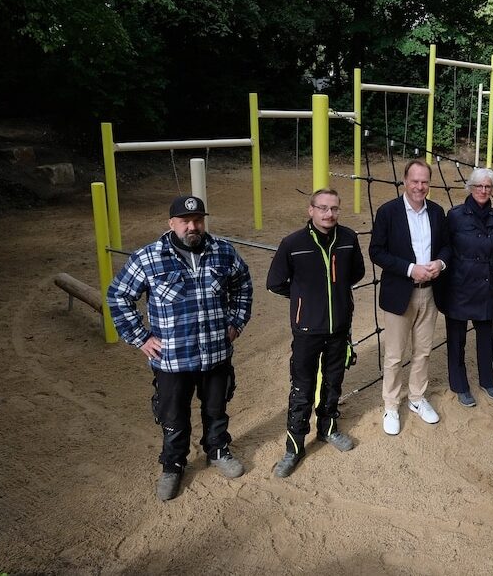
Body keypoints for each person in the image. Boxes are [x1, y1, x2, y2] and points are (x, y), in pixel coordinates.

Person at [107, 195, 253, 501]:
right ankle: (172, 465)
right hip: (171, 358)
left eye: (198, 220)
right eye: (185, 221)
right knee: (173, 415)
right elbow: (119, 295)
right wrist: (140, 337)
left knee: (216, 409)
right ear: (171, 223)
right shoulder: (148, 258)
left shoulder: (223, 252)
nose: (192, 226)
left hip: (216, 353)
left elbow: (243, 284)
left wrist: (236, 323)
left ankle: (218, 451)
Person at [266, 189, 366, 478]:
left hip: (339, 328)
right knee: (302, 388)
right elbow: (275, 283)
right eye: (322, 208)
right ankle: (294, 446)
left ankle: (328, 429)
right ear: (310, 210)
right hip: (307, 330)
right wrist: (303, 299)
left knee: (334, 382)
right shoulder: (293, 244)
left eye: (334, 208)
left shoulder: (348, 238)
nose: (328, 214)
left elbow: (356, 274)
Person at [369, 159, 452, 435]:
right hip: (400, 293)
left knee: (423, 351)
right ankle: (391, 404)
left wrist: (439, 263)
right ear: (405, 181)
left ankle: (416, 398)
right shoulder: (388, 212)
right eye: (415, 181)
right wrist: (409, 269)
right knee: (394, 355)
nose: (420, 186)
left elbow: (447, 247)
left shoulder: (438, 212)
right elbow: (376, 251)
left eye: (424, 181)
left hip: (430, 293)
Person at [444, 169, 493, 407]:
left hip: (485, 284)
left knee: (486, 336)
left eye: (488, 187)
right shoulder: (456, 216)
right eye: (478, 186)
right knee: (457, 340)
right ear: (470, 187)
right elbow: (445, 247)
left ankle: (487, 381)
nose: (483, 190)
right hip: (460, 285)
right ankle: (460, 386)